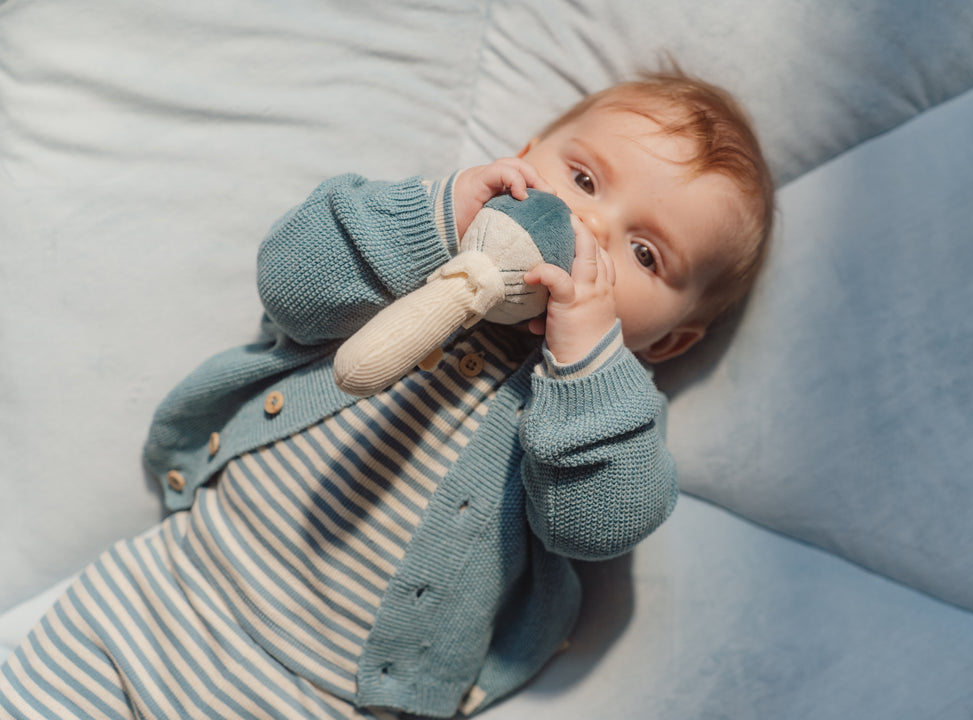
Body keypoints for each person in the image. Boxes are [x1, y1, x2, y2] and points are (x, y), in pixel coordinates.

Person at [0, 68, 773, 720]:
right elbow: (290, 278)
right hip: (161, 591)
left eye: (643, 252)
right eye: (581, 178)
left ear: (668, 341)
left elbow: (598, 524)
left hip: (326, 694)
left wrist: (590, 366)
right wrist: (441, 217)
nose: (587, 226)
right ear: (524, 157)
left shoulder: (600, 406)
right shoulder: (416, 252)